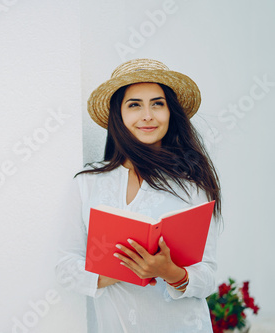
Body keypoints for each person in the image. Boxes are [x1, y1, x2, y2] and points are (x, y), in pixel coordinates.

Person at [55, 59, 221, 333]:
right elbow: (65, 267)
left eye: (157, 103)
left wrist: (170, 272)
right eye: (134, 105)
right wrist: (115, 271)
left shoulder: (192, 184)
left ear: (170, 113)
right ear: (117, 115)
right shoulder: (87, 183)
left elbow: (208, 276)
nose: (147, 115)